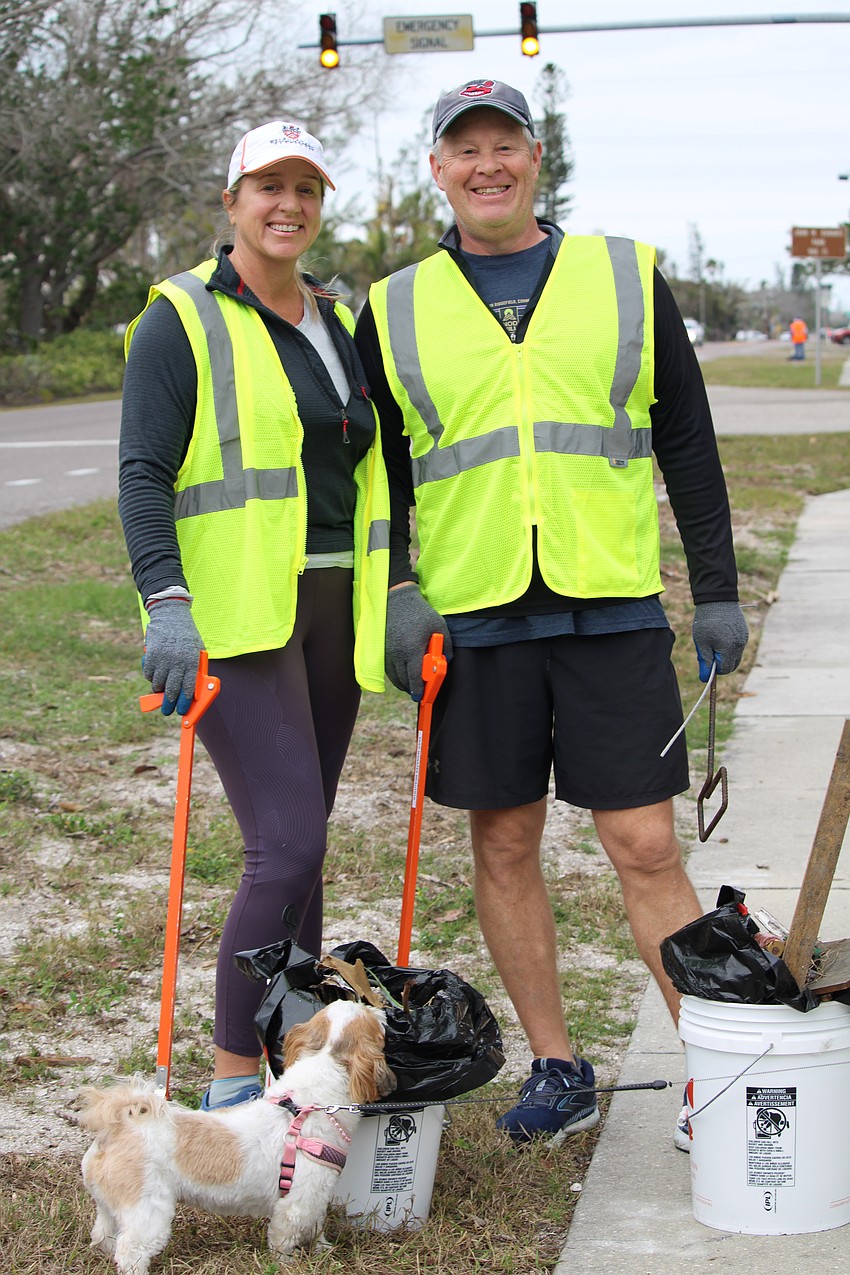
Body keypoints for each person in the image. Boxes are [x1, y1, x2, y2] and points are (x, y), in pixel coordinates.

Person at [355, 79, 748, 1150]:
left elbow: (690, 444)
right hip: (477, 615)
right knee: (505, 841)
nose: (486, 164)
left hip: (610, 602)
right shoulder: (390, 307)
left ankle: (711, 1073)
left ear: (536, 158)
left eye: (505, 144)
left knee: (644, 845)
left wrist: (712, 588)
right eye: (463, 149)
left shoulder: (625, 277)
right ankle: (558, 1066)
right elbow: (378, 472)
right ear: (435, 169)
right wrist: (396, 590)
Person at [118, 121, 389, 1109]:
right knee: (287, 842)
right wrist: (168, 600)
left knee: (306, 839)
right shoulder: (179, 318)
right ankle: (233, 1088)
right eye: (268, 187)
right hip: (234, 615)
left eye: (306, 188)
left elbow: (367, 465)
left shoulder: (336, 317)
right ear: (231, 202)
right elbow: (143, 472)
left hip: (329, 609)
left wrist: (398, 593)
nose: (288, 205)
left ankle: (292, 1060)